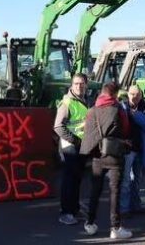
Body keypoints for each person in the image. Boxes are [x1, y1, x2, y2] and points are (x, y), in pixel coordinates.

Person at [80, 82, 133, 240]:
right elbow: (125, 128)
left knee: (95, 190)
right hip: (114, 154)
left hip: (97, 155)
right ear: (115, 94)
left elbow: (88, 133)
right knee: (114, 191)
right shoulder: (118, 109)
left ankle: (90, 223)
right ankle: (115, 227)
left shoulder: (91, 111)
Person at [54, 73, 89, 225]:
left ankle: (74, 209)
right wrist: (75, 140)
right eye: (76, 83)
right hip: (70, 148)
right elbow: (58, 126)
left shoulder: (83, 101)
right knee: (69, 180)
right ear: (71, 85)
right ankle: (66, 212)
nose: (79, 86)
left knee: (76, 179)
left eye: (81, 83)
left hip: (80, 146)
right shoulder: (67, 103)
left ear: (86, 85)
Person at [119, 85, 145, 217]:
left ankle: (136, 206)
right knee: (125, 181)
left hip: (141, 149)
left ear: (141, 95)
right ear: (127, 94)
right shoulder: (121, 108)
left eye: (137, 94)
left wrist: (136, 115)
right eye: (132, 94)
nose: (134, 97)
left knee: (137, 181)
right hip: (128, 150)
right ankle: (123, 209)